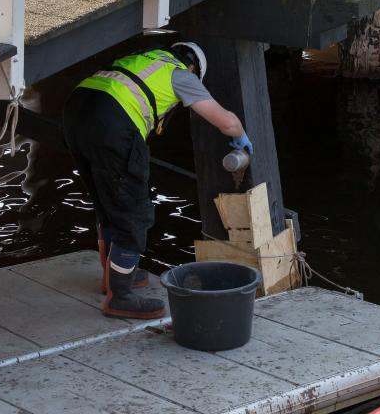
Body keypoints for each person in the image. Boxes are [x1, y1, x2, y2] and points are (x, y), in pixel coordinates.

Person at [63, 41, 252, 320]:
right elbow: (226, 121)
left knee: (108, 202)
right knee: (134, 213)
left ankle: (112, 277)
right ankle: (120, 297)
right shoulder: (181, 74)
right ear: (193, 67)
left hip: (76, 112)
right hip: (113, 122)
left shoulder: (141, 59)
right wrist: (242, 138)